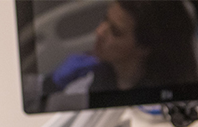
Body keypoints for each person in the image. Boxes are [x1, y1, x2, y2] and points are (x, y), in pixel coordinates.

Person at [34, 0, 198, 112]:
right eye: (105, 20)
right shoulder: (87, 82)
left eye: (115, 32)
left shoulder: (162, 103)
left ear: (143, 48)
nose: (99, 32)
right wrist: (50, 84)